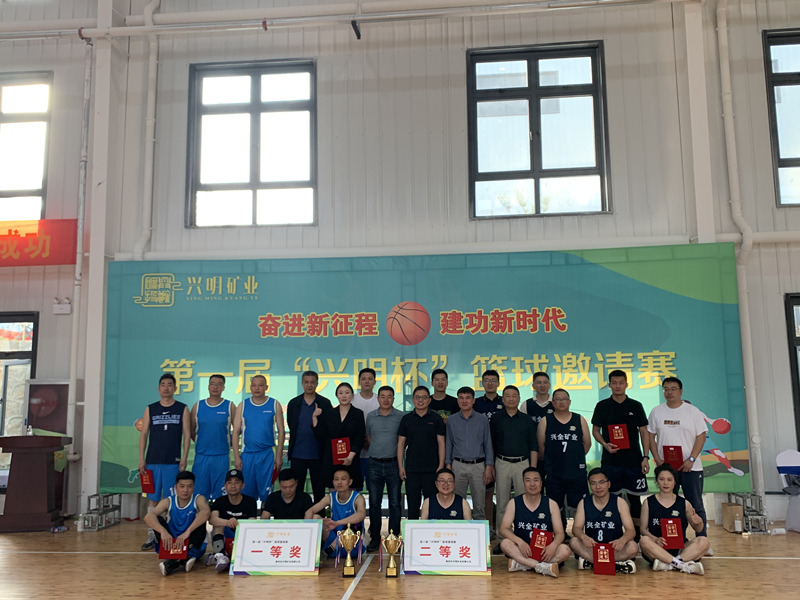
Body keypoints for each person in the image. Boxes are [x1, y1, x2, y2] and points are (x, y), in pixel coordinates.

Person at [591, 370, 650, 540]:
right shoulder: (602, 406)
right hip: (611, 462)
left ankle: (637, 538)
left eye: (621, 383)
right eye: (614, 383)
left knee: (635, 501)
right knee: (611, 500)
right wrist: (605, 445)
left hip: (634, 461)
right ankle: (613, 536)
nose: (617, 386)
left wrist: (645, 457)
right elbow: (595, 431)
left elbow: (644, 432)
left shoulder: (636, 405)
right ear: (609, 385)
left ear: (626, 384)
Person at [647, 377, 708, 538]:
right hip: (667, 469)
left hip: (691, 468)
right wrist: (657, 459)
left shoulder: (692, 411)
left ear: (681, 391)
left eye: (673, 389)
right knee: (669, 505)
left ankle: (702, 540)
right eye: (666, 389)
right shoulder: (656, 411)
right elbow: (650, 436)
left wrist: (691, 459)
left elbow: (701, 436)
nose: (669, 392)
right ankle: (675, 539)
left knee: (695, 504)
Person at [138, 373, 192, 551]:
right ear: (158, 388)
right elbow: (144, 434)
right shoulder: (150, 409)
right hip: (152, 462)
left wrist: (184, 457)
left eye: (170, 384)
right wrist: (142, 459)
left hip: (172, 462)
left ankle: (170, 533)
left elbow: (187, 434)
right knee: (152, 500)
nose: (166, 387)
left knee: (171, 500)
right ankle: (151, 534)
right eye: (163, 384)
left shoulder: (182, 408)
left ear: (175, 388)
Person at [498, 467, 571, 577]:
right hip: (522, 550)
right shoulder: (514, 503)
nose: (532, 484)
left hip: (545, 551)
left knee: (565, 550)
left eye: (536, 480)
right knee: (505, 543)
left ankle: (524, 564)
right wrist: (519, 542)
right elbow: (503, 529)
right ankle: (542, 567)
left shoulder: (551, 504)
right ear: (523, 483)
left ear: (541, 483)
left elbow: (560, 533)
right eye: (528, 480)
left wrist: (553, 545)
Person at [490, 384, 537, 552]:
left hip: (523, 464)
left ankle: (524, 538)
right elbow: (491, 444)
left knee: (524, 502)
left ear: (519, 399)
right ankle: (503, 540)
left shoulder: (527, 420)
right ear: (503, 399)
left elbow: (533, 445)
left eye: (514, 396)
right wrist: (491, 465)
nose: (511, 399)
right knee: (502, 502)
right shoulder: (496, 419)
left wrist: (533, 469)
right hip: (502, 462)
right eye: (507, 396)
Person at [537, 388, 591, 533]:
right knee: (555, 506)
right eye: (558, 399)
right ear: (553, 402)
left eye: (564, 399)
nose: (561, 402)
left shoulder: (579, 419)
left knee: (580, 506)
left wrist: (575, 458)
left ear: (569, 401)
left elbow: (587, 443)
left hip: (577, 472)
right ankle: (559, 534)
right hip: (554, 472)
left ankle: (579, 534)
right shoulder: (545, 421)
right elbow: (541, 446)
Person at [640, 464, 708, 574]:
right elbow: (643, 529)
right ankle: (681, 565)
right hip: (657, 549)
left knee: (704, 541)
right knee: (644, 541)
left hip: (681, 549)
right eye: (662, 479)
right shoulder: (648, 502)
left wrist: (699, 522)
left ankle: (672, 563)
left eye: (669, 480)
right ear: (656, 481)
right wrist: (655, 539)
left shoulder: (684, 503)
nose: (665, 483)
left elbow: (698, 529)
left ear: (675, 482)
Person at [569, 468, 638, 574]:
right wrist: (584, 537)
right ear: (589, 485)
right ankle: (615, 565)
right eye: (593, 483)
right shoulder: (584, 503)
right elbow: (576, 528)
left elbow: (631, 530)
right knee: (573, 541)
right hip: (593, 547)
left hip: (614, 548)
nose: (598, 487)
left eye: (602, 482)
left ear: (609, 484)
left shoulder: (620, 502)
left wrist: (622, 540)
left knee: (633, 547)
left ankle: (592, 562)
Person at [144, 471, 210, 576]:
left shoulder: (198, 498)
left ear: (193, 486)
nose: (185, 490)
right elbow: (148, 517)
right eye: (182, 486)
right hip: (171, 543)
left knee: (201, 520)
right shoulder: (168, 501)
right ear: (176, 487)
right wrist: (163, 531)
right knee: (157, 519)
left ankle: (175, 561)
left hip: (190, 544)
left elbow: (206, 512)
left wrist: (187, 532)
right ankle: (182, 560)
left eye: (189, 486)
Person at [364, 385, 405, 552]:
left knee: (395, 503)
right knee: (374, 503)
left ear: (393, 399)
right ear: (378, 398)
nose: (386, 399)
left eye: (389, 396)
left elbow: (403, 441)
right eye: (383, 396)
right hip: (374, 464)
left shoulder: (401, 417)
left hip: (394, 464)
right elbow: (368, 438)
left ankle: (394, 537)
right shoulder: (370, 416)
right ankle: (375, 537)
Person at [232, 375, 285, 503]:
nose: (257, 388)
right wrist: (237, 457)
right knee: (247, 494)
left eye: (260, 385)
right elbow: (235, 432)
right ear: (250, 387)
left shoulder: (274, 404)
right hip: (247, 455)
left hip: (267, 455)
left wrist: (279, 456)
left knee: (267, 494)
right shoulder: (242, 405)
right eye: (254, 385)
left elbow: (281, 431)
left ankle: (265, 514)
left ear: (266, 387)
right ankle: (249, 515)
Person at [445, 386, 494, 521]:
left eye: (468, 398)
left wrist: (489, 467)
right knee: (457, 503)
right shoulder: (451, 420)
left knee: (479, 505)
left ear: (473, 400)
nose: (464, 401)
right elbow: (449, 443)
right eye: (461, 398)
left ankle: (480, 533)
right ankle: (458, 532)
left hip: (478, 466)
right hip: (458, 465)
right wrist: (448, 465)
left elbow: (488, 443)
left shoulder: (482, 419)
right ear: (458, 401)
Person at [397, 385, 445, 520]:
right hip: (412, 469)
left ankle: (431, 533)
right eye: (417, 397)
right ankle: (412, 532)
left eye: (424, 397)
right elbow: (401, 444)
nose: (420, 400)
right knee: (413, 505)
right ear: (413, 400)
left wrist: (441, 466)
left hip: (432, 469)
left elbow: (441, 443)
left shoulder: (436, 418)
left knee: (431, 505)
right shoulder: (406, 419)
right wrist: (401, 466)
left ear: (429, 400)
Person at [286, 370, 332, 504]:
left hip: (318, 454)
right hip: (297, 453)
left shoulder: (325, 403)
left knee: (319, 490)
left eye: (312, 382)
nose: (309, 385)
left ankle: (319, 516)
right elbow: (292, 425)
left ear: (317, 384)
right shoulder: (294, 403)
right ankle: (298, 516)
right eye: (306, 382)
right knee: (297, 491)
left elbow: (328, 428)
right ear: (302, 384)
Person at [313, 382, 366, 490]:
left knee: (350, 491)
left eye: (347, 393)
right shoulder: (329, 413)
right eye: (340, 393)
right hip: (332, 458)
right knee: (333, 492)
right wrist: (314, 418)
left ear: (352, 395)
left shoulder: (358, 413)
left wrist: (350, 457)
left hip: (351, 458)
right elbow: (321, 436)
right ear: (337, 395)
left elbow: (359, 437)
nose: (344, 396)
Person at [305, 468, 367, 559]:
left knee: (351, 527)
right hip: (334, 538)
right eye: (336, 479)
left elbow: (361, 514)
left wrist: (337, 523)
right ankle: (309, 549)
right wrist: (307, 530)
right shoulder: (330, 497)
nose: (339, 482)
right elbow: (310, 511)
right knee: (315, 518)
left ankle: (328, 551)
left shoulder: (358, 498)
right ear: (333, 482)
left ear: (350, 482)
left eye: (343, 479)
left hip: (353, 544)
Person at [190, 374, 233, 502]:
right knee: (200, 494)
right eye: (212, 384)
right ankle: (201, 515)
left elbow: (238, 430)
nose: (215, 387)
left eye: (219, 384)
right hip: (201, 456)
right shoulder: (198, 406)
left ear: (223, 388)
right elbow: (190, 430)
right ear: (208, 386)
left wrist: (226, 441)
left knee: (221, 495)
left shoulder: (230, 406)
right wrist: (200, 441)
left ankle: (218, 515)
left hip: (221, 456)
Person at [206, 469, 258, 573]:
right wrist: (227, 522)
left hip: (241, 535)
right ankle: (220, 556)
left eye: (236, 482)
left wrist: (237, 523)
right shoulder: (219, 501)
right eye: (229, 483)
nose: (233, 486)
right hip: (226, 534)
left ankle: (220, 556)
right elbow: (212, 519)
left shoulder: (251, 501)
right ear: (225, 486)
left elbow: (252, 522)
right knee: (218, 524)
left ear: (242, 485)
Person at [474, 369, 505, 536]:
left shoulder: (505, 402)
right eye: (487, 380)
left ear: (498, 383)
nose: (490, 383)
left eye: (493, 380)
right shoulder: (477, 403)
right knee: (486, 493)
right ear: (482, 383)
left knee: (504, 495)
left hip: (504, 452)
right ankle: (488, 528)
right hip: (483, 452)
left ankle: (504, 528)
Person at [351, 368, 380, 491]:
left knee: (374, 490)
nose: (367, 382)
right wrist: (360, 442)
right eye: (363, 379)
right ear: (359, 382)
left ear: (374, 382)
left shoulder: (380, 400)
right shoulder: (352, 399)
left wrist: (370, 441)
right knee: (354, 489)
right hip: (354, 454)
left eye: (370, 379)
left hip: (375, 454)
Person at [520, 371, 553, 479]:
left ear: (549, 385)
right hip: (531, 454)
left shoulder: (556, 403)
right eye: (539, 382)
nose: (542, 385)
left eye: (545, 382)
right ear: (533, 385)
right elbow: (522, 431)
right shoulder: (526, 404)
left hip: (553, 454)